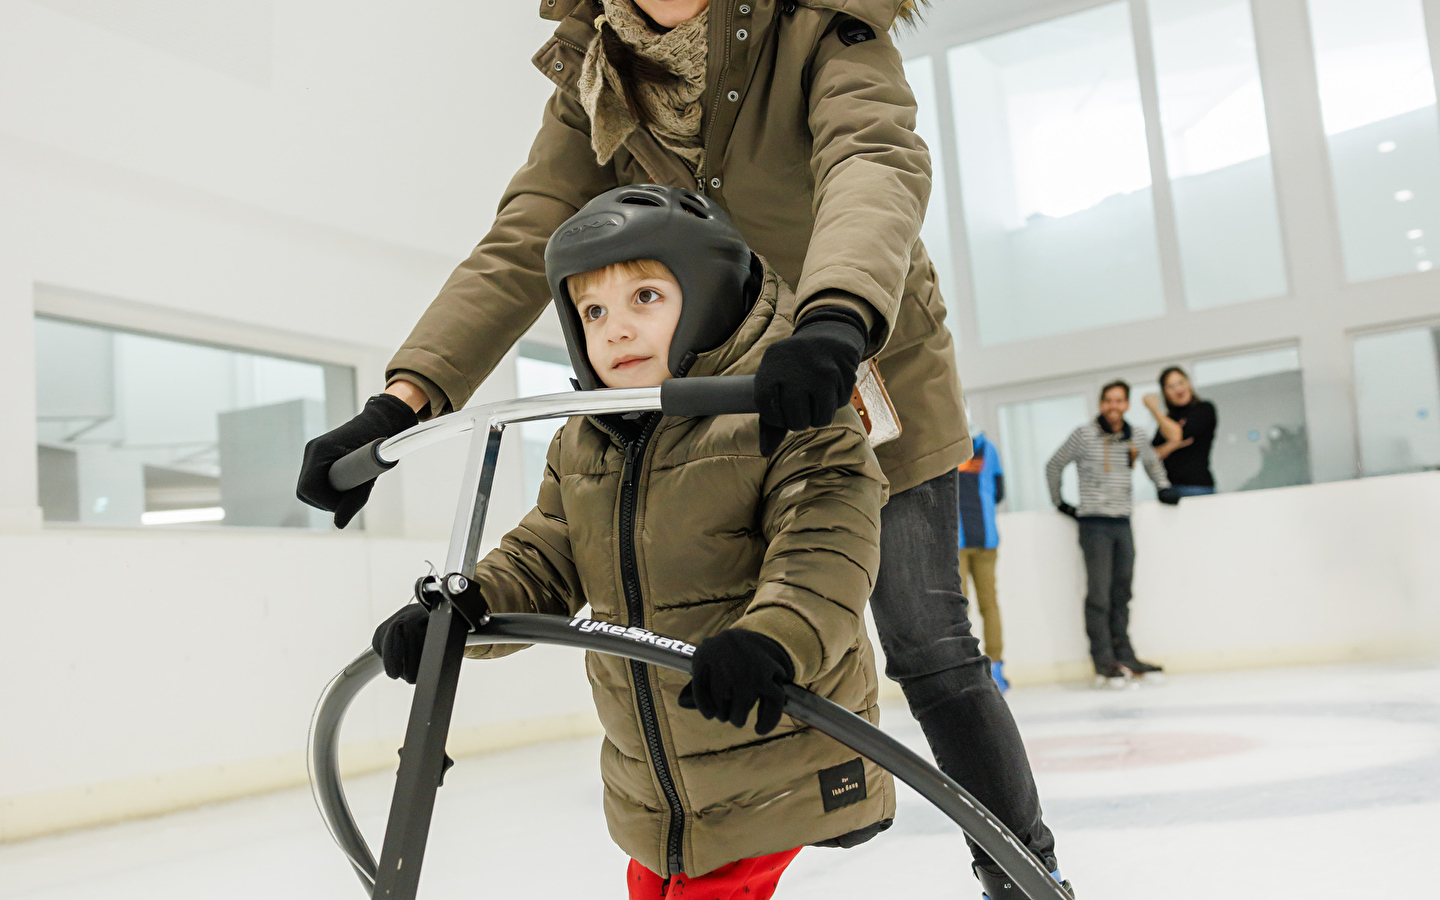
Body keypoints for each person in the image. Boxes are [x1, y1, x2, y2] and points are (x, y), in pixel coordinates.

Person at [296, 2, 1068, 895]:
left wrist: (834, 319)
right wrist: (404, 400)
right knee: (697, 614)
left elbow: (871, 161)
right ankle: (718, 826)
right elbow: (523, 238)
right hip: (704, 396)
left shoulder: (819, 26)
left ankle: (1023, 871)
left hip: (855, 364)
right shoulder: (602, 68)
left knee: (928, 640)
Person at [370, 187, 896, 898]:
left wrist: (771, 640)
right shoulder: (585, 439)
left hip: (777, 757)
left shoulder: (783, 412)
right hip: (659, 788)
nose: (614, 330)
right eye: (593, 312)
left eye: (645, 297)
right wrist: (459, 613)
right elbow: (544, 557)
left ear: (708, 295)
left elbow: (825, 549)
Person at [1045, 381, 1179, 688]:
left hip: (1122, 522)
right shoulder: (1084, 435)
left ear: (1127, 404)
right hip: (1094, 524)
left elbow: (1152, 462)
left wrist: (1163, 487)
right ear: (1101, 404)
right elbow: (1053, 465)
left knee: (1123, 591)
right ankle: (1104, 662)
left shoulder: (1136, 437)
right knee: (1099, 594)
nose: (1113, 406)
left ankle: (1126, 656)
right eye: (1108, 401)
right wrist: (1060, 503)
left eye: (1119, 401)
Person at [957, 429, 1008, 692]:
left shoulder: (947, 446)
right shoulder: (988, 448)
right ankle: (995, 666)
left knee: (960, 609)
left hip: (961, 542)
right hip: (981, 538)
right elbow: (999, 492)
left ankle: (974, 668)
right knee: (988, 605)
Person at [1143, 366, 1218, 497]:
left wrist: (1154, 410)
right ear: (1164, 392)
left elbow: (1177, 435)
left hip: (1197, 487)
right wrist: (1173, 444)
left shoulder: (1203, 409)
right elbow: (1153, 455)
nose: (1178, 390)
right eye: (1171, 387)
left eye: (1181, 383)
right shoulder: (1168, 420)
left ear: (1188, 383)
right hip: (1169, 489)